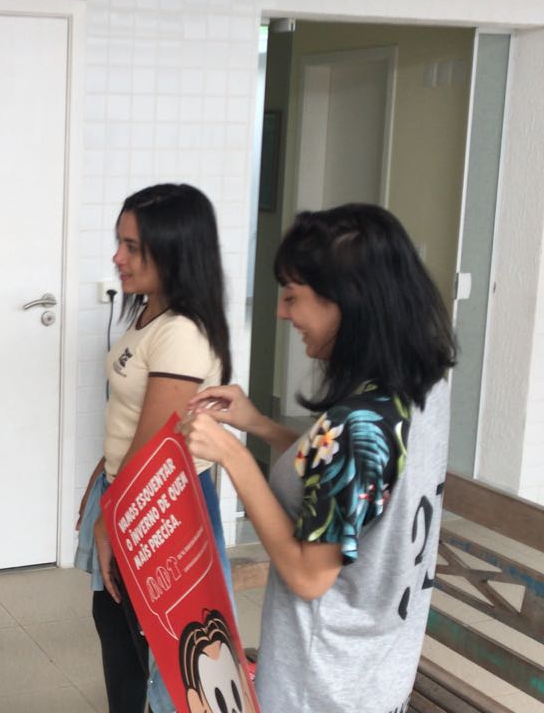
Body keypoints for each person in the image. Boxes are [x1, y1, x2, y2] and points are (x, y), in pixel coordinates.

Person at [184, 204, 457, 712]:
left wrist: (233, 458)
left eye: (293, 296)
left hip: (322, 685)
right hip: (378, 670)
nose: (281, 313)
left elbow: (309, 577)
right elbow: (356, 484)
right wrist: (258, 425)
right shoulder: (421, 386)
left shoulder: (356, 425)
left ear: (348, 300)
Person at [72, 183, 235, 713]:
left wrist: (111, 516)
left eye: (132, 247)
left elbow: (156, 445)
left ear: (175, 251)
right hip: (129, 493)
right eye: (119, 243)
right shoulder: (150, 314)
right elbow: (132, 421)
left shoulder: (183, 332)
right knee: (119, 626)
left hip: (160, 505)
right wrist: (102, 477)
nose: (117, 258)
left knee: (166, 652)